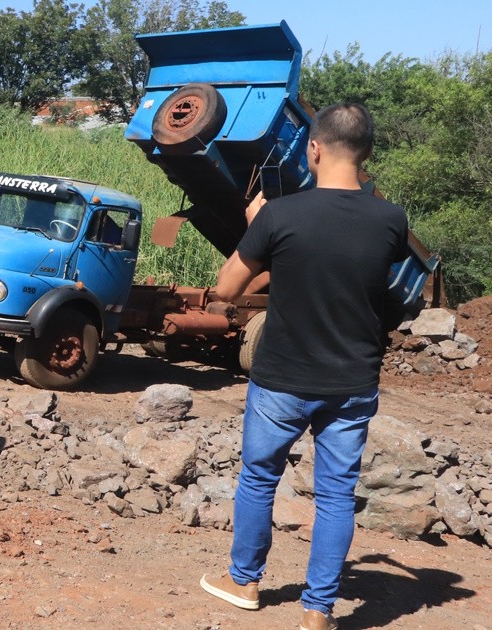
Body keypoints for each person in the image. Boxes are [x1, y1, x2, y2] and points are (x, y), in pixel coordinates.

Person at [200, 103, 410, 630]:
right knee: (337, 495)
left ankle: (244, 582)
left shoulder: (279, 214)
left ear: (313, 149)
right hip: (353, 381)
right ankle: (318, 613)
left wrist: (255, 226)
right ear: (367, 155)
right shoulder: (391, 220)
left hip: (282, 380)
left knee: (258, 479)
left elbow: (226, 289)